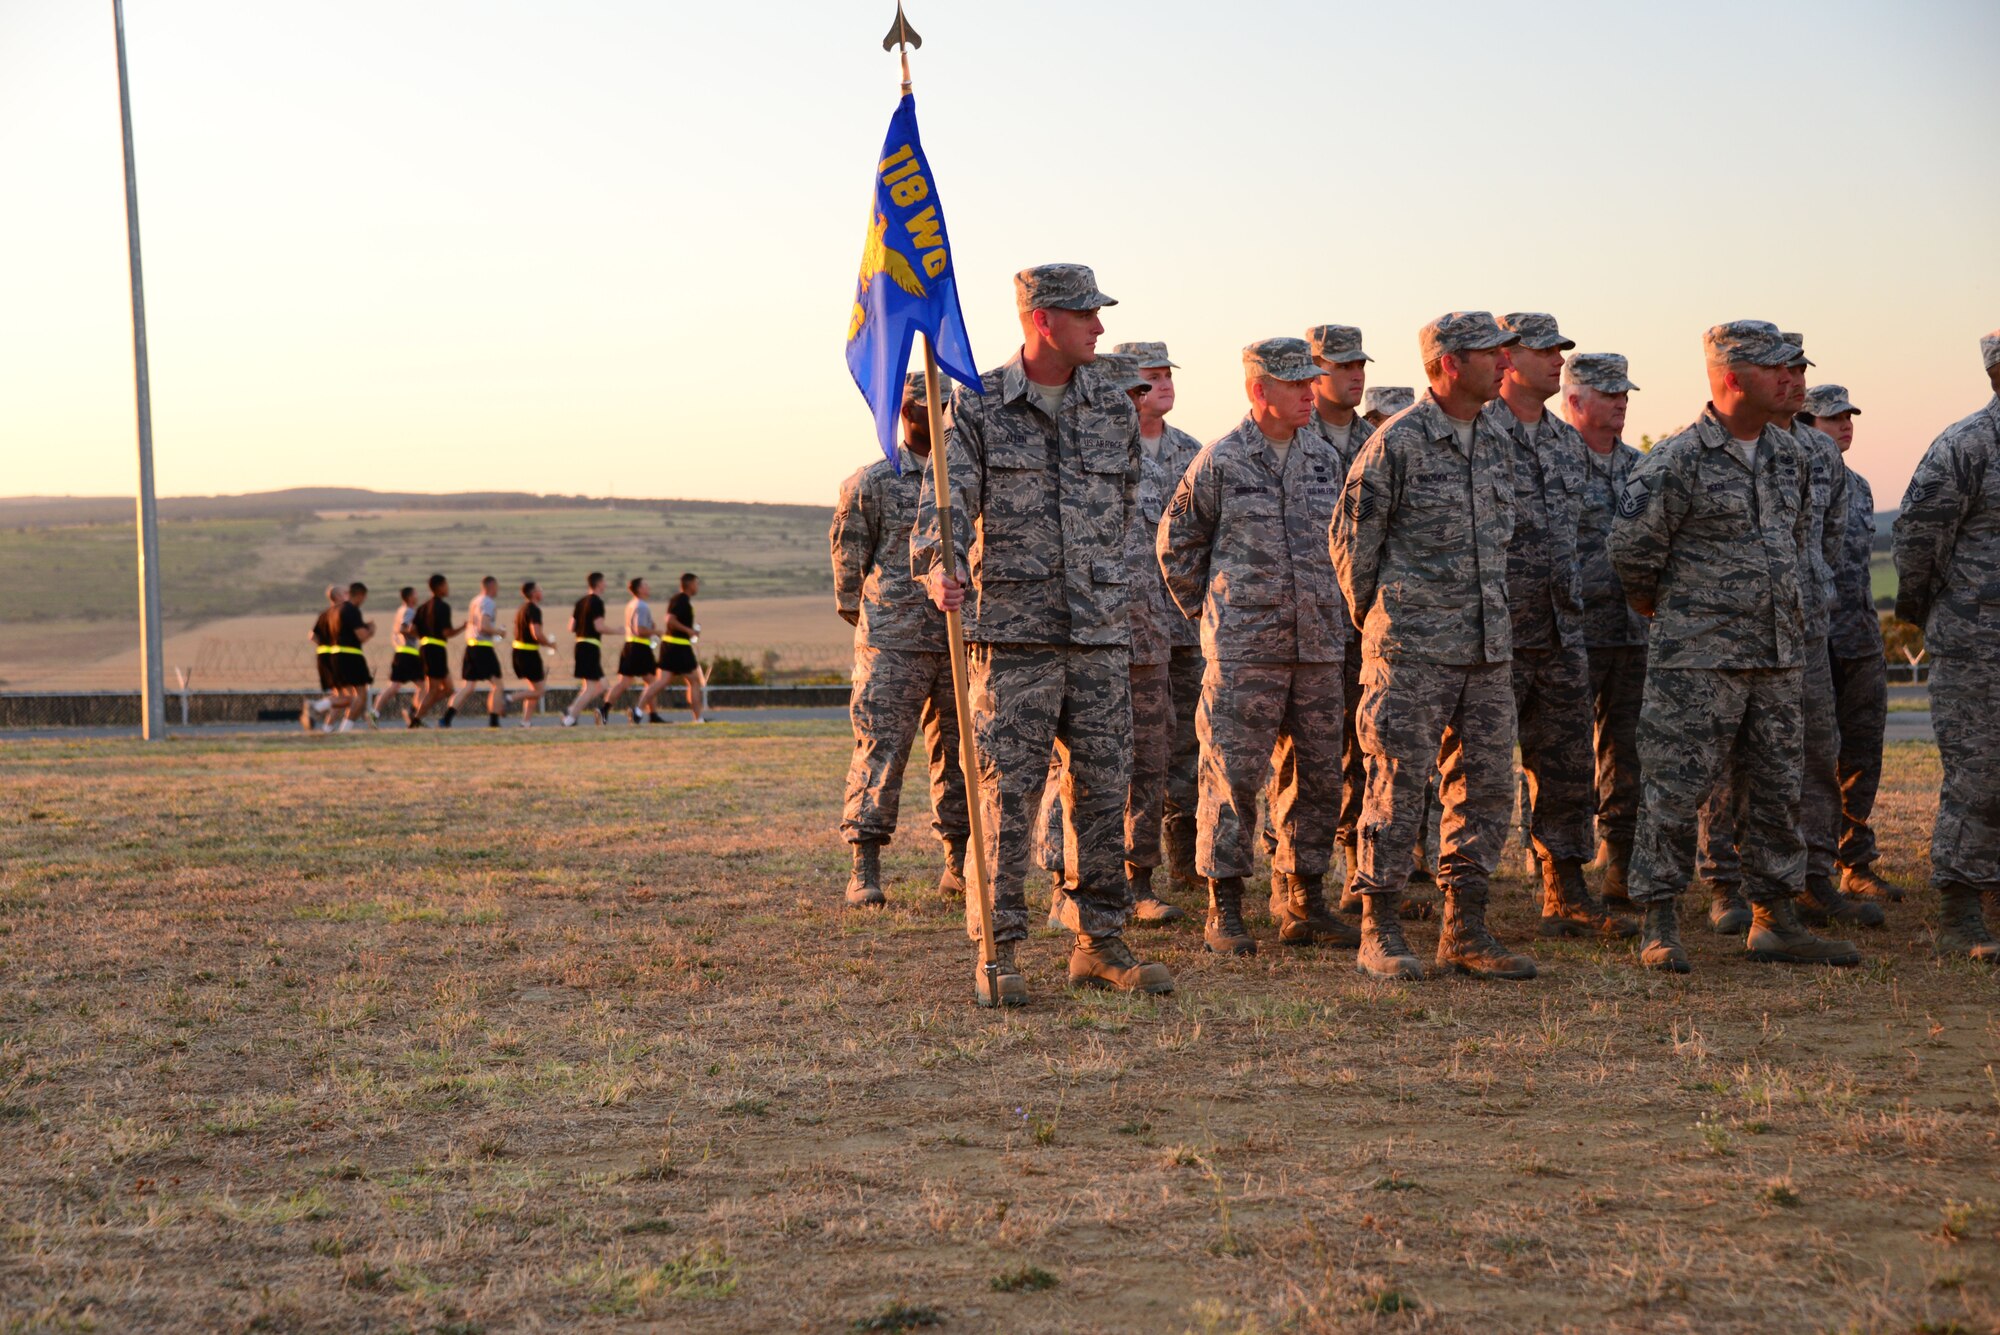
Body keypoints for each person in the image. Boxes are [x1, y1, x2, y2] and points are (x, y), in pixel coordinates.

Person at [914, 262, 1174, 1001]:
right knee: (1007, 795)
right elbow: (945, 504)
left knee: (1101, 789)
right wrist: (942, 566)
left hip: (1096, 631)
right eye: (1086, 314)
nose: (1099, 327)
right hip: (1013, 634)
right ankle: (999, 950)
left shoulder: (1111, 406)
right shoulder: (979, 403)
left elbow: (1125, 505)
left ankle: (1100, 940)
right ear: (1043, 321)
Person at [1609, 319, 1861, 971]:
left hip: (1778, 655)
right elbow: (1632, 552)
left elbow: (1807, 543)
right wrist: (1672, 612)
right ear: (1731, 378)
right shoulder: (1678, 458)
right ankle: (1659, 919)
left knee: (1777, 785)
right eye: (1776, 368)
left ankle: (1775, 918)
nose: (1791, 378)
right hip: (1696, 660)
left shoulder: (1794, 456)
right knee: (1673, 788)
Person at [1331, 311, 1537, 982]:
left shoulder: (1500, 436)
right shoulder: (1399, 442)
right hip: (1411, 649)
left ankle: (1466, 928)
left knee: (1483, 789)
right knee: (1394, 787)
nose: (1504, 365)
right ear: (1450, 363)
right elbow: (1352, 544)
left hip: (1486, 647)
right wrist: (1384, 624)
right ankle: (1380, 925)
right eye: (1489, 355)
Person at [1158, 338, 1355, 955]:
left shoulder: (1326, 459)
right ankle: (1226, 906)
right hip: (1245, 652)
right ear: (1258, 390)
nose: (1308, 393)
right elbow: (1176, 547)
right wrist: (1218, 616)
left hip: (1320, 647)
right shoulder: (1221, 461)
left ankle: (1304, 899)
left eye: (1311, 381)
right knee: (1232, 778)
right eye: (1295, 383)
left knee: (1318, 776)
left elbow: (1352, 544)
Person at [1694, 334, 1879, 931]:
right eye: (1785, 369)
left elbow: (1825, 544)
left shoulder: (1818, 456)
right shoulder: (1712, 449)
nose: (1796, 380)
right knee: (1729, 763)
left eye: (1801, 370)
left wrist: (1810, 601)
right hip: (1735, 636)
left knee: (1815, 757)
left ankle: (1814, 878)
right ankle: (1726, 883)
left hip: (1805, 638)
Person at [1484, 314, 1635, 940]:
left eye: (1559, 351)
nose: (1556, 360)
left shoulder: (1564, 444)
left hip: (1561, 633)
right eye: (1543, 350)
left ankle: (1565, 892)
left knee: (1568, 766)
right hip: (1488, 636)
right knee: (1480, 772)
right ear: (1506, 359)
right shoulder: (1472, 433)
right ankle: (1460, 903)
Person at [1039, 353, 1185, 929]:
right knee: (1072, 768)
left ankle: (1137, 880)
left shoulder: (1186, 453)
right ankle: (1062, 884)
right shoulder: (1064, 451)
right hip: (1080, 634)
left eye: (1140, 390)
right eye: (1126, 392)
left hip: (1150, 637)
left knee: (1149, 762)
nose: (1134, 400)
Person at [830, 370, 971, 908]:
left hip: (959, 638)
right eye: (922, 406)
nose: (934, 415)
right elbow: (848, 577)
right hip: (892, 644)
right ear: (903, 414)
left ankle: (958, 861)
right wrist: (878, 626)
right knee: (880, 752)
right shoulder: (871, 483)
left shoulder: (963, 477)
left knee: (960, 756)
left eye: (941, 405)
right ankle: (864, 864)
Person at [1891, 330, 2000, 962]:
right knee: (1981, 774)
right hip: (1978, 639)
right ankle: (1962, 906)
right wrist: (1925, 610)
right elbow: (1916, 540)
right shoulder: (1967, 446)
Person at [1115, 340, 1206, 912]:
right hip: (1124, 631)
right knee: (1133, 755)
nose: (1164, 384)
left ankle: (1187, 863)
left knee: (1188, 748)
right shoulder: (1101, 450)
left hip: (1185, 627)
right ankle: (1132, 877)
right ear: (1128, 387)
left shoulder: (1194, 454)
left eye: (1168, 373)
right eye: (1152, 376)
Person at [1562, 354, 1649, 910]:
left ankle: (1620, 862)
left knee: (1628, 752)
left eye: (1625, 393)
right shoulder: (1554, 462)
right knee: (1566, 755)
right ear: (1575, 401)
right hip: (1570, 635)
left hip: (1633, 633)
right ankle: (1560, 872)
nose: (1621, 402)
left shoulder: (1644, 467)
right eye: (1608, 393)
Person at [1809, 385, 1897, 902]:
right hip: (1814, 641)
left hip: (1859, 639)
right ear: (1805, 425)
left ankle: (1856, 861)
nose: (1845, 426)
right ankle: (1810, 868)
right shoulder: (1794, 479)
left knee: (1863, 756)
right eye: (1832, 419)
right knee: (1814, 761)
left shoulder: (1861, 487)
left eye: (1848, 417)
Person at [445, 575, 507, 728]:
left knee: (468, 686)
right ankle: (493, 720)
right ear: (491, 586)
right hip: (483, 647)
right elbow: (484, 626)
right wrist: (498, 631)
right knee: (497, 684)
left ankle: (446, 718)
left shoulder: (475, 601)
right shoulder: (488, 602)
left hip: (471, 646)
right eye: (497, 586)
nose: (498, 590)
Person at [651, 573, 707, 723]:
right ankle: (698, 718)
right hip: (677, 646)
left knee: (663, 681)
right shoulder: (681, 599)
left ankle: (638, 709)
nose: (697, 586)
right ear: (689, 585)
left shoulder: (681, 600)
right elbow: (670, 620)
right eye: (696, 583)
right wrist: (689, 631)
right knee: (694, 681)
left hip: (675, 645)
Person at [407, 574, 461, 728]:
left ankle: (419, 711)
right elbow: (446, 633)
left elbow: (411, 629)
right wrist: (463, 627)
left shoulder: (423, 607)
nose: (447, 588)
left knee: (449, 689)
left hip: (427, 648)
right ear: (439, 587)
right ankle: (416, 719)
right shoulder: (442, 607)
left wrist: (424, 636)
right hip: (435, 650)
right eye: (445, 585)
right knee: (433, 689)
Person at [562, 572, 613, 727]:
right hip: (590, 647)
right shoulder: (597, 602)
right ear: (598, 584)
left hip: (580, 645)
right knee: (590, 688)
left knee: (603, 685)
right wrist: (619, 630)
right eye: (604, 582)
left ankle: (571, 709)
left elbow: (571, 627)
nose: (606, 584)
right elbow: (599, 627)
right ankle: (570, 718)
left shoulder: (581, 602)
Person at [605, 577, 658, 723]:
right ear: (639, 589)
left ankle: (604, 709)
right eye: (646, 584)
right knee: (653, 683)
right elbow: (640, 630)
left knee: (625, 682)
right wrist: (658, 632)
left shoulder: (631, 605)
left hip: (629, 645)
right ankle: (641, 711)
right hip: (640, 647)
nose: (648, 587)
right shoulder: (642, 606)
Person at [372, 586, 423, 724]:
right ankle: (412, 713)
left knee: (395, 687)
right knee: (423, 686)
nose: (417, 597)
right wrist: (419, 634)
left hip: (402, 652)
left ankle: (375, 713)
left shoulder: (401, 610)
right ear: (410, 597)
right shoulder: (409, 611)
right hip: (408, 653)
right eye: (416, 594)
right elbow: (403, 628)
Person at [332, 581, 376, 732]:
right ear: (360, 595)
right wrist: (370, 630)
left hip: (339, 656)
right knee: (360, 695)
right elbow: (361, 636)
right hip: (352, 657)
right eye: (364, 597)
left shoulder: (338, 610)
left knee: (348, 696)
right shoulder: (352, 610)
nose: (363, 601)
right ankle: (343, 727)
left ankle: (329, 724)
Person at [301, 584, 344, 733]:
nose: (346, 596)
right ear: (337, 597)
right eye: (343, 594)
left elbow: (313, 635)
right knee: (345, 695)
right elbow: (313, 636)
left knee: (340, 695)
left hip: (325, 656)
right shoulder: (336, 614)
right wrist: (329, 645)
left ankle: (327, 727)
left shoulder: (325, 614)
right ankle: (315, 707)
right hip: (332, 658)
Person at [510, 580, 553, 727]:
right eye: (539, 589)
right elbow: (537, 634)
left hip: (518, 652)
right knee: (539, 691)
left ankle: (526, 721)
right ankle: (510, 698)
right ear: (534, 593)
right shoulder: (534, 610)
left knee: (534, 689)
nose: (541, 591)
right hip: (529, 654)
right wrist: (549, 643)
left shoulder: (522, 609)